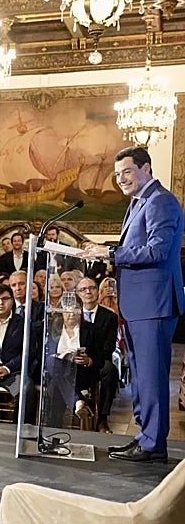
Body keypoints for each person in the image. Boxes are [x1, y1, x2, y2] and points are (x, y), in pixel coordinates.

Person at [82, 146, 184, 462]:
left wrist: (110, 253)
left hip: (154, 304)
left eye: (127, 171)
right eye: (117, 175)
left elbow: (156, 249)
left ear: (146, 169)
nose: (121, 179)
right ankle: (144, 436)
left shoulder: (160, 201)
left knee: (152, 377)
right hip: (139, 305)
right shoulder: (138, 203)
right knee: (140, 376)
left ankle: (153, 444)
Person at [76, 276, 119, 432]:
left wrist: (91, 360)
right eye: (83, 289)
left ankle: (102, 419)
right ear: (77, 293)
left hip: (97, 362)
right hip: (75, 362)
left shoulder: (109, 316)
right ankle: (78, 404)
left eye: (92, 288)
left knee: (110, 370)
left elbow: (109, 348)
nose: (88, 292)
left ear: (97, 291)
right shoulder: (72, 314)